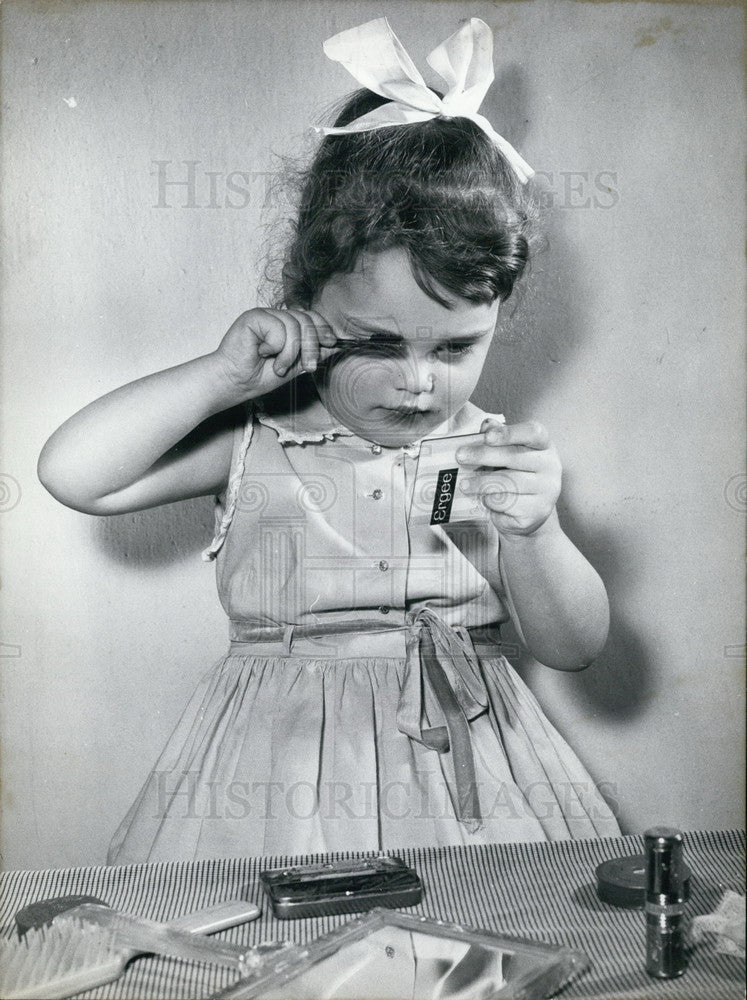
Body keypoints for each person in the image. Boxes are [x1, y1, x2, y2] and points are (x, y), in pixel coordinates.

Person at [38, 17, 620, 863]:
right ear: (304, 304)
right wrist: (221, 377)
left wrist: (537, 531)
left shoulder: (495, 460)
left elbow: (574, 649)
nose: (418, 382)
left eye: (454, 347)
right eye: (379, 344)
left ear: (497, 318)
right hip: (270, 778)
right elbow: (73, 474)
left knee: (481, 953)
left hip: (473, 781)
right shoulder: (257, 434)